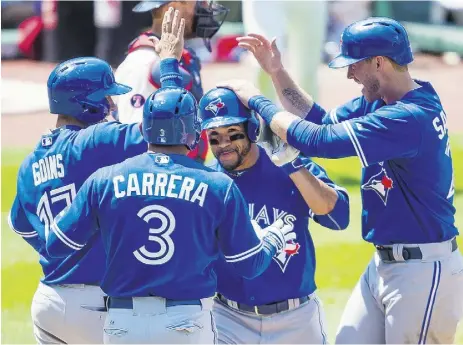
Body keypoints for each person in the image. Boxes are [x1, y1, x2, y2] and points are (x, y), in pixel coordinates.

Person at [45, 11, 294, 344]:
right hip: (185, 323)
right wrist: (275, 237)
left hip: (122, 325)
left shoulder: (103, 181)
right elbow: (249, 265)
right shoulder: (218, 185)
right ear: (193, 132)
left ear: (144, 127)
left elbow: (56, 245)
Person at [216, 17, 463, 344]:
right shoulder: (384, 100)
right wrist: (276, 71)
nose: (348, 74)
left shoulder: (407, 117)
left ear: (378, 62)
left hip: (421, 271)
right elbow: (320, 121)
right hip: (386, 264)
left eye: (354, 65)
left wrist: (257, 101)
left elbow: (320, 142)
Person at [7, 56, 153, 343]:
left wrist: (63, 251)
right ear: (87, 104)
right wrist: (171, 66)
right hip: (96, 306)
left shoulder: (30, 162)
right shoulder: (94, 141)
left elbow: (21, 225)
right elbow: (165, 129)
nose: (112, 105)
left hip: (50, 300)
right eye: (107, 98)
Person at [194, 86, 350, 344]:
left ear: (252, 129)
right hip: (227, 318)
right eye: (215, 136)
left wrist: (292, 166)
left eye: (233, 134)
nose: (224, 145)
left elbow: (337, 217)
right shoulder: (208, 181)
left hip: (296, 318)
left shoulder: (287, 164)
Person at [113, 0, 229, 164]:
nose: (203, 9)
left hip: (185, 173)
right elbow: (132, 140)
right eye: (197, 3)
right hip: (161, 180)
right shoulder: (143, 61)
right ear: (172, 7)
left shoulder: (184, 56)